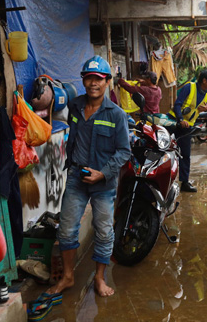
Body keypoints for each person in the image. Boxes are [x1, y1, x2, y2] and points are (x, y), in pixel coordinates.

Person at [47, 55, 130, 298]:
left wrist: (102, 173)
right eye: (89, 78)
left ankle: (100, 278)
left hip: (104, 182)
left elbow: (124, 150)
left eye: (99, 79)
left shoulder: (116, 114)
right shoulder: (74, 105)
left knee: (104, 231)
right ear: (83, 81)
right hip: (76, 177)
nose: (93, 83)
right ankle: (68, 277)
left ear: (107, 82)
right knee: (66, 230)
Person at [167, 68, 207, 192]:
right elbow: (177, 104)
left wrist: (202, 110)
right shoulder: (189, 87)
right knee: (165, 152)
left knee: (185, 155)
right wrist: (180, 119)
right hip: (173, 122)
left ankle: (184, 182)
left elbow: (196, 109)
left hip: (187, 127)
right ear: (204, 80)